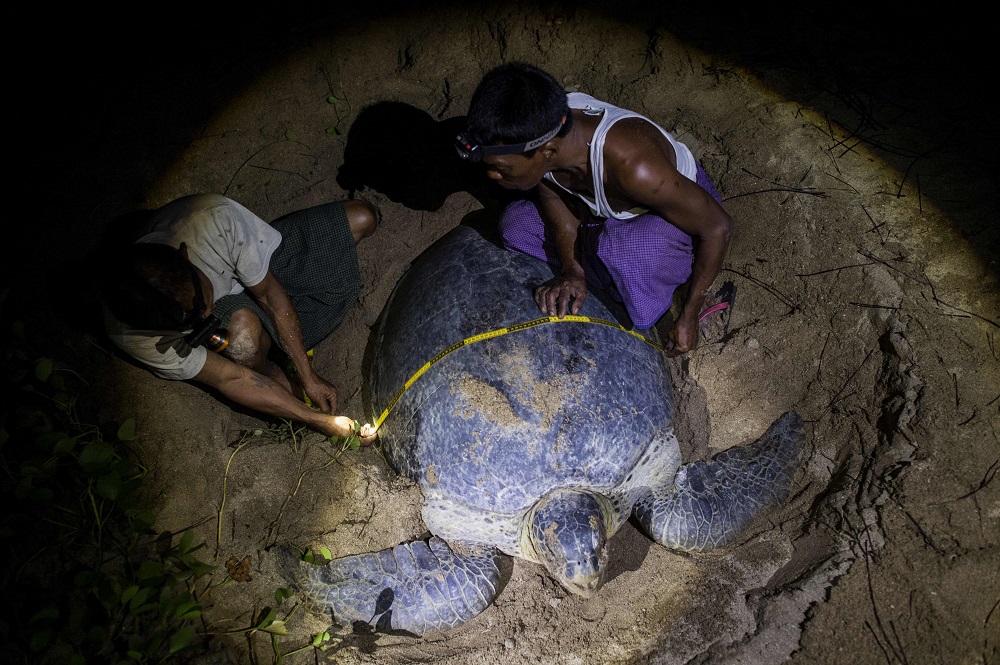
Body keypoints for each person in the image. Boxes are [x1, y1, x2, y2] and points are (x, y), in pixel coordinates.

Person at [458, 62, 735, 355]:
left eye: (500, 169)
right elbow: (553, 197)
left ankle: (673, 284)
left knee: (623, 256)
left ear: (547, 151)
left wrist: (688, 315)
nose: (492, 177)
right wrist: (573, 271)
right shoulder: (545, 128)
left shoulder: (635, 167)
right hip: (601, 210)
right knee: (516, 225)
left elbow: (718, 227)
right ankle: (601, 269)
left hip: (678, 211)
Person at [97, 193, 377, 441]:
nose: (207, 317)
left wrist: (309, 375)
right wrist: (320, 421)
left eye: (203, 307)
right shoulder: (133, 333)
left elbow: (269, 295)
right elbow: (229, 379)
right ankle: (269, 363)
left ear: (185, 255)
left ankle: (285, 356)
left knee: (363, 218)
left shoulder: (213, 222)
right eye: (190, 325)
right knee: (240, 339)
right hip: (236, 304)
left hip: (253, 270)